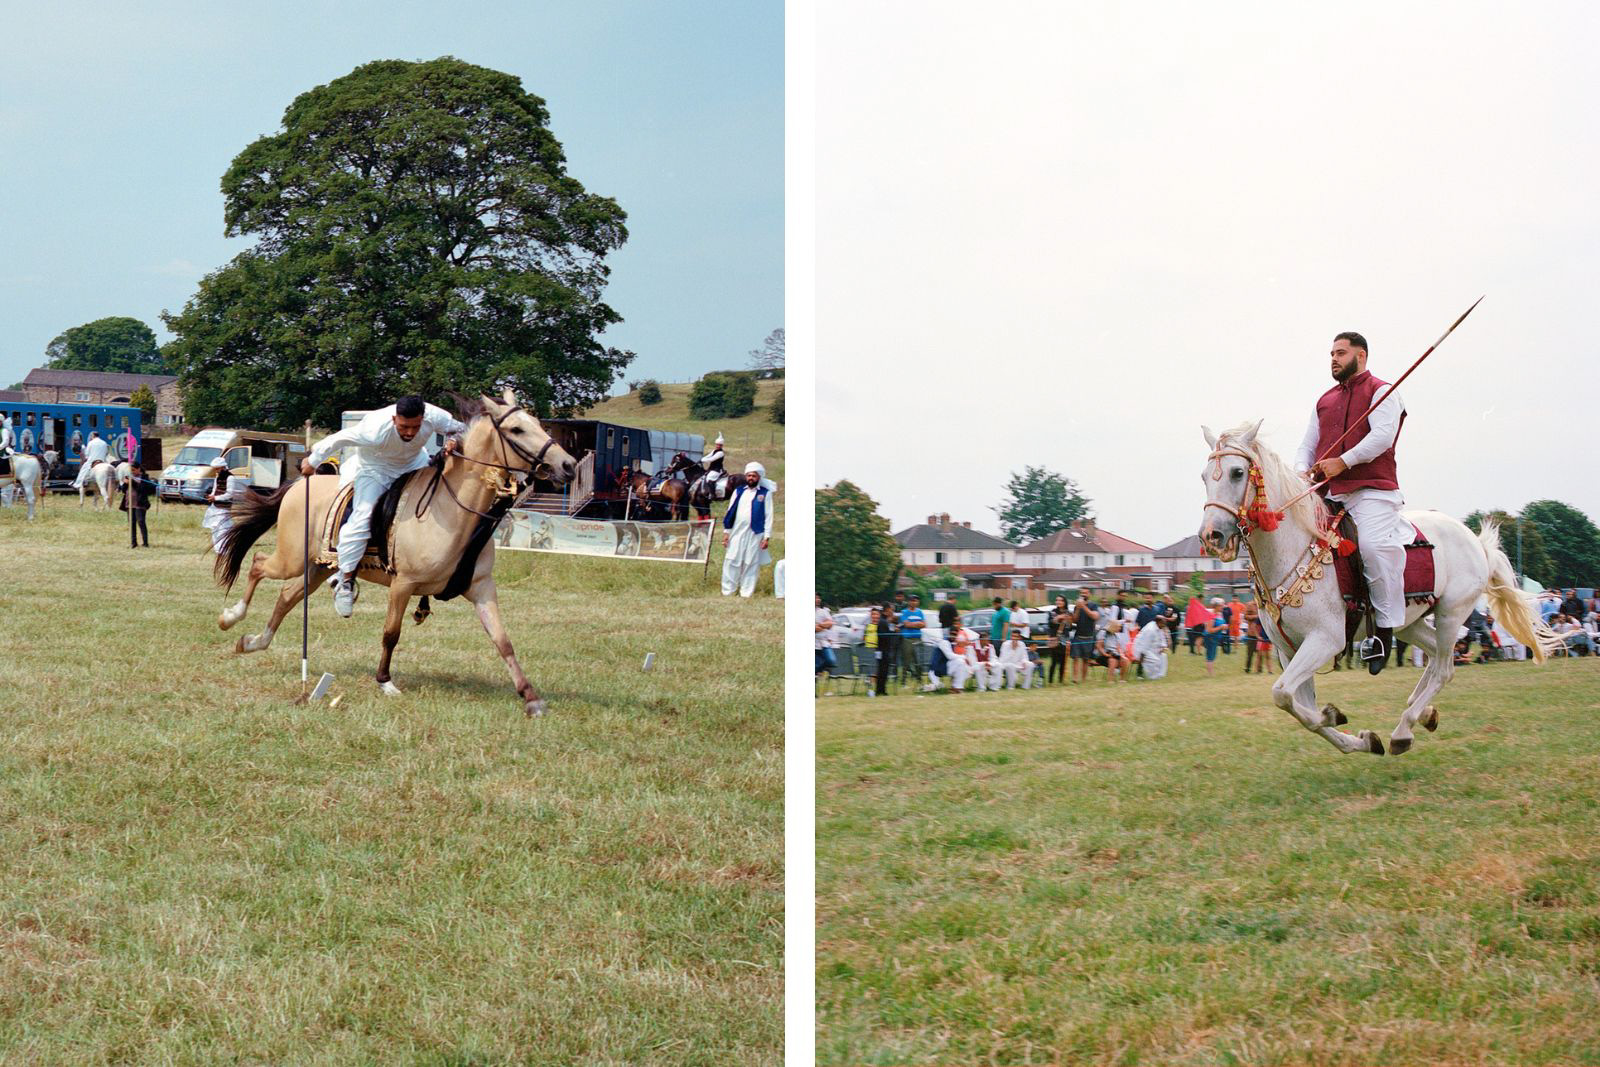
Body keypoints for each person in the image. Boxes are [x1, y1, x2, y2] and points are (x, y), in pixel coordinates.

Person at [1293, 331, 1412, 674]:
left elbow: (1382, 437)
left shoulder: (1383, 391)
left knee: (1373, 548)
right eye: (1331, 352)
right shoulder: (1324, 400)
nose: (1333, 358)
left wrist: (1342, 462)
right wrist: (1302, 472)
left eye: (1341, 353)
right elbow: (1307, 445)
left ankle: (1384, 632)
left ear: (1361, 356)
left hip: (1372, 490)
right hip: (1329, 494)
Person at [302, 396, 467, 616]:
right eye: (404, 427)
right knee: (364, 516)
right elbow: (340, 439)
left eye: (415, 427)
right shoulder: (374, 428)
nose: (409, 433)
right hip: (374, 471)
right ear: (393, 418)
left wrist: (454, 441)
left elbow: (462, 429)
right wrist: (313, 461)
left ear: (424, 418)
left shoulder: (434, 415)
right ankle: (346, 579)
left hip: (415, 466)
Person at [718, 461, 776, 598]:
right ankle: (728, 591)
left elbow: (769, 516)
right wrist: (727, 532)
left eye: (754, 476)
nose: (751, 478)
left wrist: (766, 537)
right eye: (749, 475)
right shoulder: (739, 491)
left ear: (759, 478)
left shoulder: (765, 494)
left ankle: (746, 593)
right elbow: (730, 511)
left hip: (755, 533)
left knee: (750, 562)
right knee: (732, 560)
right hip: (737, 532)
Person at [118, 461, 157, 547]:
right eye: (130, 470)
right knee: (132, 523)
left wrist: (133, 482)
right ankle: (133, 542)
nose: (132, 472)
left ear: (139, 469)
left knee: (141, 522)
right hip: (129, 503)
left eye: (134, 470)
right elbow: (124, 490)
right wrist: (125, 484)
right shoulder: (129, 477)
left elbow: (142, 489)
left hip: (140, 503)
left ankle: (145, 543)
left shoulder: (144, 478)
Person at [1069, 594, 1099, 683]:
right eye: (1081, 594)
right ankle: (1075, 678)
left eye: (1085, 593)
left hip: (1089, 637)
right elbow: (1074, 620)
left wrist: (1084, 607)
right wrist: (1078, 608)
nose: (1083, 595)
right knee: (1076, 658)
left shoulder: (1093, 605)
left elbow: (1095, 616)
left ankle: (1084, 679)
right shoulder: (1076, 607)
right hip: (1078, 636)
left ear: (1089, 594)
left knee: (1086, 659)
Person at [897, 594, 927, 683]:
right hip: (907, 639)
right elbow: (906, 624)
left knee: (918, 660)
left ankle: (919, 679)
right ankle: (904, 680)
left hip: (918, 638)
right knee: (906, 660)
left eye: (916, 600)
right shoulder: (904, 612)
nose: (914, 602)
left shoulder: (920, 612)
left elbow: (924, 624)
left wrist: (912, 624)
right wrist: (918, 624)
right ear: (909, 602)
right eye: (912, 600)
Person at [1133, 610, 1170, 679]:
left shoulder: (1159, 627)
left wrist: (1163, 647)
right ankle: (1152, 677)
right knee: (1155, 660)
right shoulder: (1150, 630)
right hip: (1141, 649)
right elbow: (1143, 647)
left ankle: (1160, 675)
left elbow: (1162, 639)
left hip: (1152, 648)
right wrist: (1140, 663)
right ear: (1158, 622)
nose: (1164, 625)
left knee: (1163, 656)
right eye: (1163, 624)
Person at [1046, 595, 1070, 684]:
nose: (1058, 602)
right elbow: (1050, 624)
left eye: (1061, 600)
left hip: (1064, 640)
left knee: (1063, 661)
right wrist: (1058, 618)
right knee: (1053, 661)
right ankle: (1050, 681)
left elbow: (1069, 627)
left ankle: (1061, 680)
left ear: (1064, 602)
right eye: (1057, 600)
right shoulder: (1052, 612)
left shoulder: (1068, 613)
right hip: (1055, 639)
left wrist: (1068, 620)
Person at [815, 595, 837, 684]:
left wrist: (819, 625)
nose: (818, 600)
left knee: (831, 660)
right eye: (815, 598)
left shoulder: (823, 612)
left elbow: (831, 623)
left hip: (823, 642)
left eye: (819, 598)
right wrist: (824, 625)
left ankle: (816, 672)